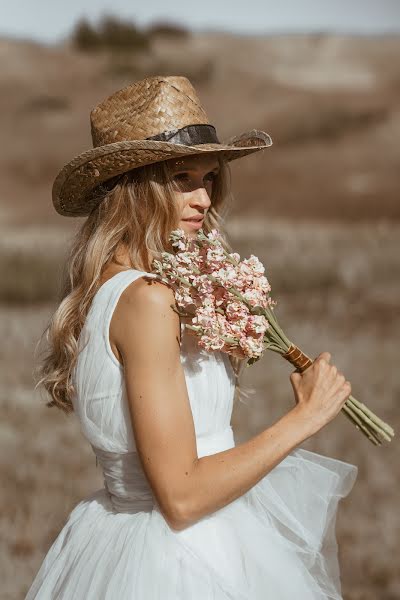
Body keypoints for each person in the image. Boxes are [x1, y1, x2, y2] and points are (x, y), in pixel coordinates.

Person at [26, 75, 357, 599]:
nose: (203, 198)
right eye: (182, 177)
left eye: (208, 177)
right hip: (178, 560)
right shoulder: (147, 300)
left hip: (138, 540)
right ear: (136, 187)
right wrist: (305, 418)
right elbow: (181, 497)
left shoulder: (116, 290)